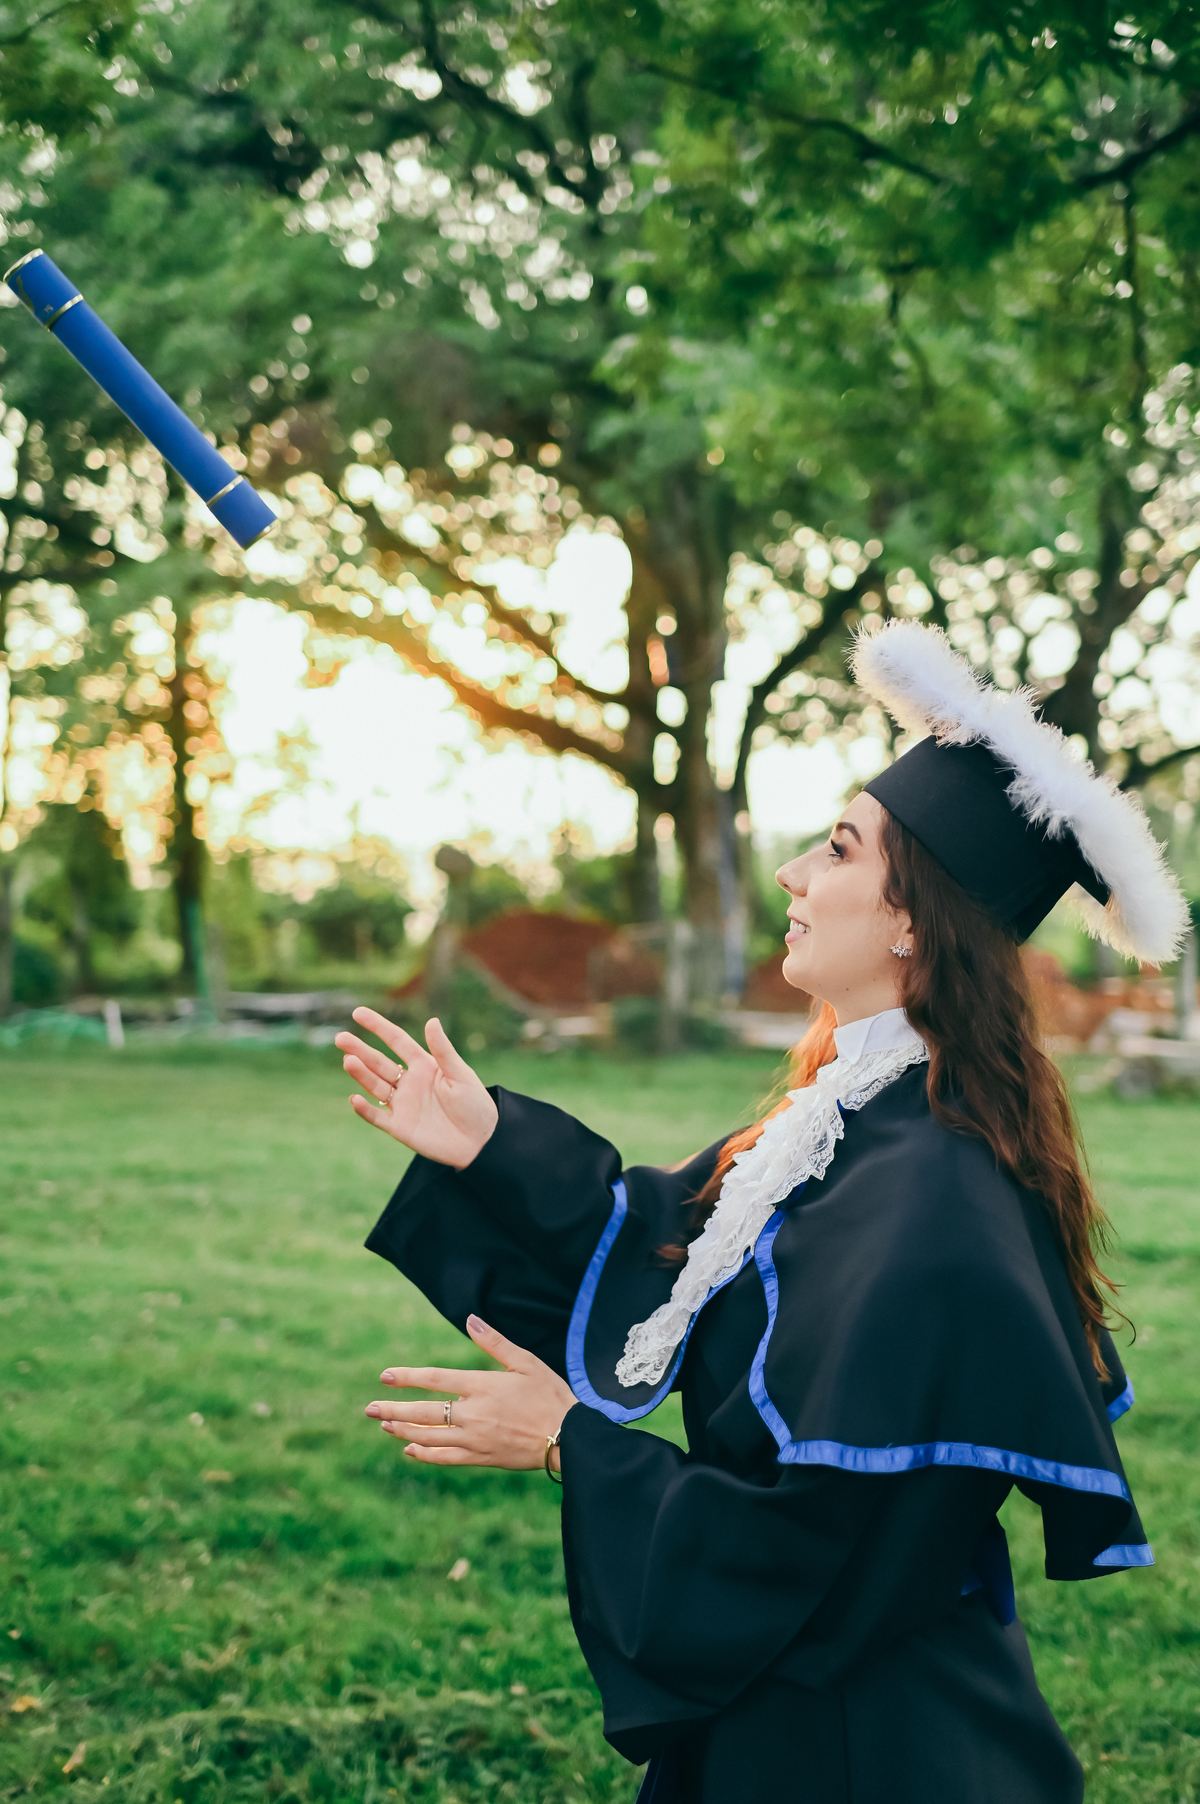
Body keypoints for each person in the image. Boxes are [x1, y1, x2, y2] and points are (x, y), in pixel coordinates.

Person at [335, 621, 1182, 1803]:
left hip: (861, 1750)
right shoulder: (853, 1114)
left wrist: (566, 1441)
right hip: (798, 1718)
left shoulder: (937, 1191)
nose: (792, 873)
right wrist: (488, 1146)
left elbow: (819, 1563)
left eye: (836, 848)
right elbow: (672, 1245)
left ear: (908, 919)